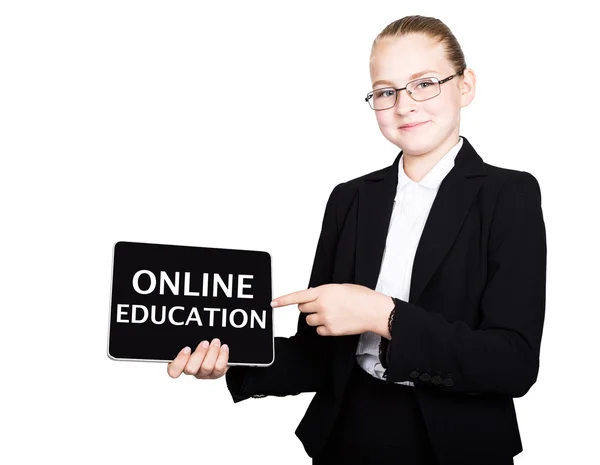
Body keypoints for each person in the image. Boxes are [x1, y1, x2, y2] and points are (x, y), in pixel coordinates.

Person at [166, 15, 547, 465]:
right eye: (386, 92)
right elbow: (317, 355)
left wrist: (381, 314)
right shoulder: (350, 199)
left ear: (464, 87)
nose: (404, 106)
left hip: (458, 444)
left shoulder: (510, 195)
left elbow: (513, 362)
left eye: (424, 83)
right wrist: (233, 358)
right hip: (348, 436)